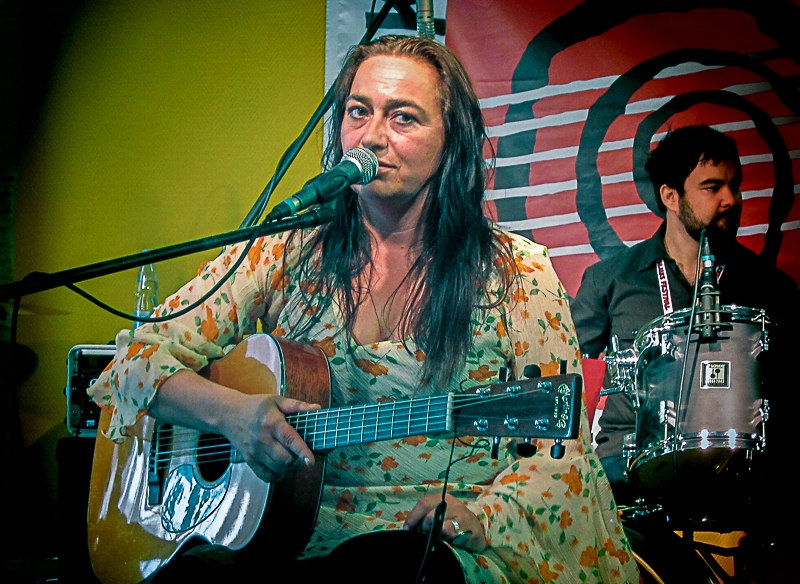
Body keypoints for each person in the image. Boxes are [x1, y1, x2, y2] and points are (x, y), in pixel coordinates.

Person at [89, 35, 638, 583]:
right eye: (358, 112)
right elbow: (133, 360)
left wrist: (483, 516)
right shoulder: (283, 251)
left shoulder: (517, 272)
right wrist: (229, 415)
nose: (371, 138)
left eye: (403, 118)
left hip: (429, 548)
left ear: (453, 142)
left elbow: (560, 453)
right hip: (288, 537)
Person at [571, 125, 799, 579]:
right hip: (628, 471)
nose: (730, 200)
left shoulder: (771, 288)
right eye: (712, 187)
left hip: (739, 475)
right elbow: (568, 373)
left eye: (734, 185)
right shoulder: (612, 280)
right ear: (670, 196)